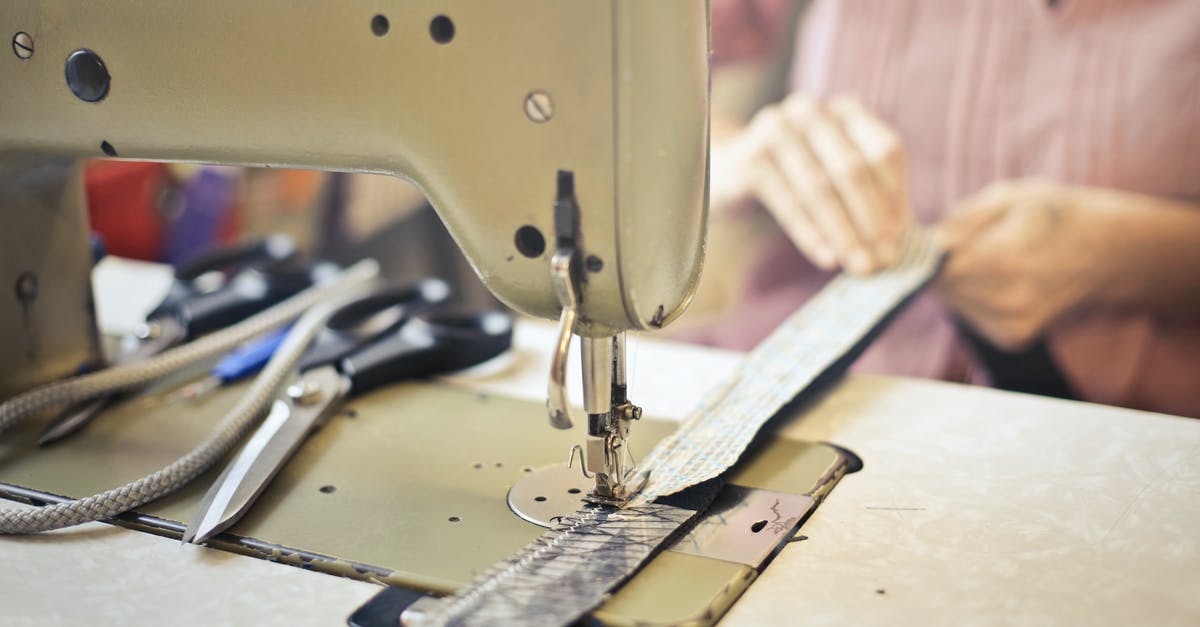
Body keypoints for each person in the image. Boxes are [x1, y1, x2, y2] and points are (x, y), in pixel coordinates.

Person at [689, 0, 1200, 418]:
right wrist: (731, 157)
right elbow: (619, 81)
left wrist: (1126, 254)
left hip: (1133, 426)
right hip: (792, 383)